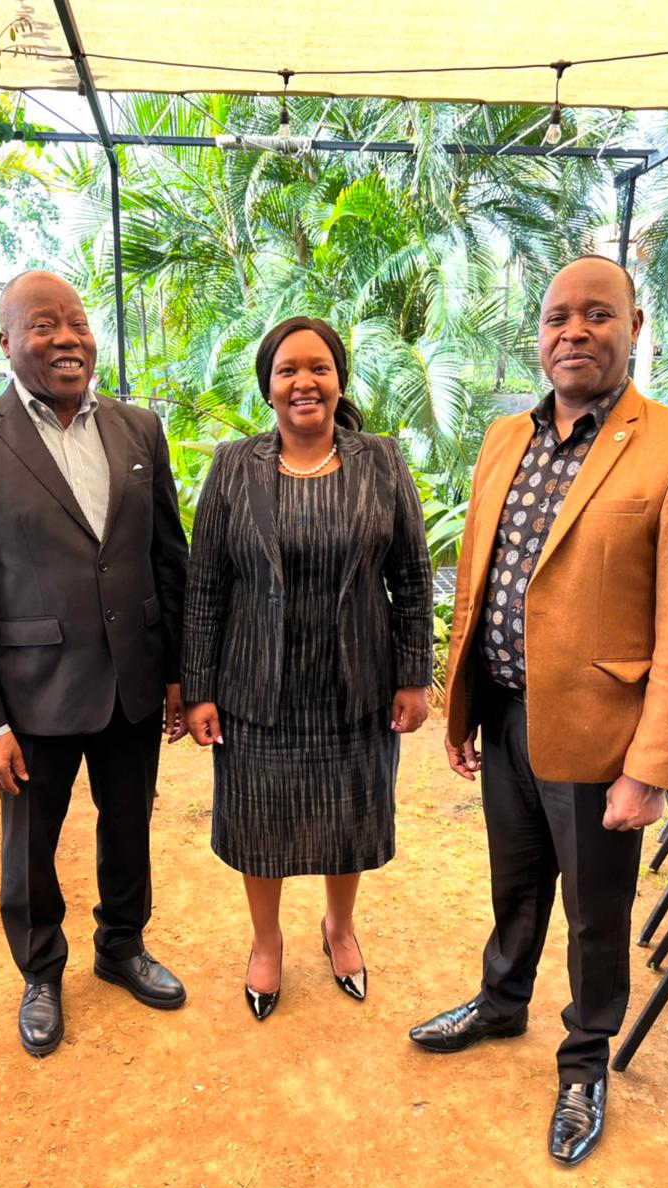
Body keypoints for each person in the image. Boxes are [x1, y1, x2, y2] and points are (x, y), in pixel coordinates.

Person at [409, 256, 668, 1165]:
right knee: (515, 884)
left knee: (596, 912)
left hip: (603, 736)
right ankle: (501, 1002)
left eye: (600, 315)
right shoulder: (502, 437)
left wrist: (651, 767)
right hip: (510, 714)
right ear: (540, 333)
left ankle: (585, 1060)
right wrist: (465, 704)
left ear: (636, 329)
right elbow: (481, 575)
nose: (575, 332)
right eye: (559, 317)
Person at [0, 270, 190, 1057]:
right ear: (5, 343)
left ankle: (123, 947)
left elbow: (166, 558)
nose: (67, 337)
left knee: (129, 825)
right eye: (44, 325)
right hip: (29, 695)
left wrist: (177, 674)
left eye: (76, 322)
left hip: (133, 681)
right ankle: (41, 972)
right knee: (30, 847)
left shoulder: (140, 430)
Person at [181, 317, 432, 1019]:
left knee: (347, 815)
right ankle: (266, 942)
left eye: (318, 368)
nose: (304, 382)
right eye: (288, 369)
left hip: (354, 683)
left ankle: (339, 926)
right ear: (267, 385)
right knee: (260, 820)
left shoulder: (381, 460)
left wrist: (413, 673)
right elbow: (206, 585)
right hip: (256, 685)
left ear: (339, 379)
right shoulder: (233, 466)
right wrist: (199, 689)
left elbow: (412, 574)